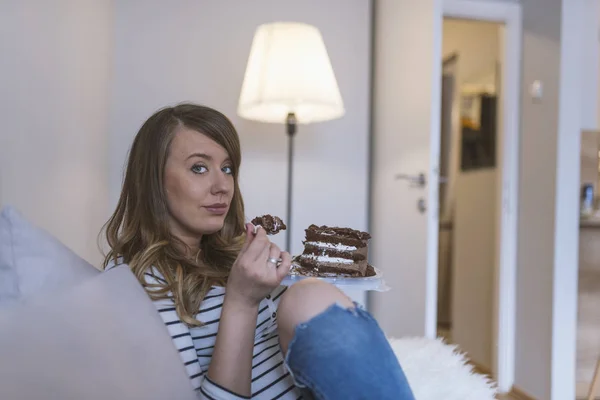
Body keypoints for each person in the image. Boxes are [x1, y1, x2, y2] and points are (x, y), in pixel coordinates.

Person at [102, 103, 416, 400]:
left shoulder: (229, 255)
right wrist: (241, 301)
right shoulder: (137, 280)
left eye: (227, 168)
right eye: (198, 168)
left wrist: (280, 279)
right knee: (306, 297)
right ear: (153, 180)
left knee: (308, 296)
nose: (223, 185)